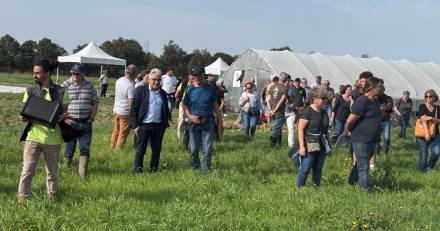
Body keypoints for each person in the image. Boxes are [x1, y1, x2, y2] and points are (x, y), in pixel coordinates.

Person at [17, 60, 70, 203]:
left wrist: (65, 117)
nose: (34, 75)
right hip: (33, 136)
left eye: (37, 72)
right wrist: (23, 117)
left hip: (53, 139)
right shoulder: (30, 90)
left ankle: (52, 197)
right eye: (34, 72)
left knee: (52, 171)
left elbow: (65, 114)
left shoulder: (61, 92)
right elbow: (25, 112)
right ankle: (22, 198)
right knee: (28, 169)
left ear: (47, 73)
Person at [61, 64, 99, 177]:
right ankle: (66, 171)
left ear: (83, 74)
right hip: (70, 122)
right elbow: (59, 103)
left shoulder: (90, 85)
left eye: (77, 73)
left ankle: (82, 175)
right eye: (73, 73)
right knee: (69, 147)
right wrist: (65, 118)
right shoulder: (65, 85)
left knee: (85, 148)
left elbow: (95, 103)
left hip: (85, 122)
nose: (74, 75)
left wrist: (91, 118)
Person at [183, 67, 223, 172]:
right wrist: (189, 116)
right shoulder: (189, 90)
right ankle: (195, 167)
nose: (196, 78)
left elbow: (215, 106)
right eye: (194, 76)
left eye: (199, 75)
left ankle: (205, 169)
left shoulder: (211, 88)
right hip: (194, 122)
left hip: (208, 120)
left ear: (203, 75)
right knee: (193, 149)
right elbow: (185, 106)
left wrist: (220, 122)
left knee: (207, 149)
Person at [346, 77, 382, 193]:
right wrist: (350, 130)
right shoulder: (362, 101)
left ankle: (351, 182)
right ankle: (366, 192)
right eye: (379, 87)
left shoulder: (375, 101)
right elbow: (350, 120)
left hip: (372, 139)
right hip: (361, 138)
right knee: (363, 167)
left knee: (362, 163)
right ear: (372, 88)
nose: (381, 89)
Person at [131, 68, 171, 173]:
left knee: (156, 150)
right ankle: (138, 170)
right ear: (149, 79)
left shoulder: (163, 93)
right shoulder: (140, 90)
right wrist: (135, 126)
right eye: (154, 79)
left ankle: (154, 169)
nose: (156, 82)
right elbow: (134, 108)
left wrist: (165, 124)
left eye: (158, 80)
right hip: (143, 125)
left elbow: (165, 109)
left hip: (158, 126)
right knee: (141, 149)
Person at [296, 88, 330, 189]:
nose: (324, 101)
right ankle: (300, 188)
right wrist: (302, 147)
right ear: (314, 99)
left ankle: (316, 187)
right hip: (311, 142)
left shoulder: (324, 112)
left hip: (322, 143)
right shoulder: (307, 112)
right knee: (306, 167)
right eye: (322, 98)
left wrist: (328, 145)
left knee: (318, 168)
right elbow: (300, 129)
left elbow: (325, 129)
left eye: (325, 99)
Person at [110, 64, 136, 149]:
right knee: (123, 133)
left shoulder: (119, 80)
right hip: (125, 112)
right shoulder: (130, 85)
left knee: (116, 130)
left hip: (116, 109)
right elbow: (130, 102)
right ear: (133, 74)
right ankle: (118, 151)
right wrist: (132, 116)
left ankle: (112, 147)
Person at [415, 89, 440, 172]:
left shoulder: (438, 108)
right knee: (424, 154)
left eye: (430, 96)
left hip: (435, 134)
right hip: (422, 134)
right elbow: (423, 119)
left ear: (434, 97)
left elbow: (439, 121)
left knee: (437, 152)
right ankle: (421, 172)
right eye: (426, 96)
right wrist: (427, 133)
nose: (428, 98)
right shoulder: (422, 106)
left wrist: (432, 118)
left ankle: (429, 166)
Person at [266, 73, 288, 146]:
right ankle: (272, 144)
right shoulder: (284, 88)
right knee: (276, 129)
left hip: (272, 110)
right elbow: (281, 101)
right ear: (285, 80)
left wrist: (270, 109)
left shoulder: (272, 86)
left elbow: (268, 99)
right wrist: (274, 111)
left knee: (277, 127)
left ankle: (279, 143)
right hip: (279, 111)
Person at [374, 81, 393, 157]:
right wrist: (382, 107)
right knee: (377, 139)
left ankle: (385, 152)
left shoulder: (388, 98)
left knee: (387, 138)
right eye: (379, 89)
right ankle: (377, 152)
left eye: (382, 89)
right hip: (377, 121)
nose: (380, 90)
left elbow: (389, 107)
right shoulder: (375, 97)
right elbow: (373, 107)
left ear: (384, 90)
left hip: (386, 121)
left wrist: (380, 107)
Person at [285, 79, 297, 147]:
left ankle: (291, 145)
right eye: (285, 81)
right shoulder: (280, 89)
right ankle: (276, 142)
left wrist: (293, 104)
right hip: (281, 112)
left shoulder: (292, 90)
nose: (287, 83)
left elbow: (294, 99)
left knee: (291, 129)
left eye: (288, 82)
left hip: (290, 112)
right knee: (277, 129)